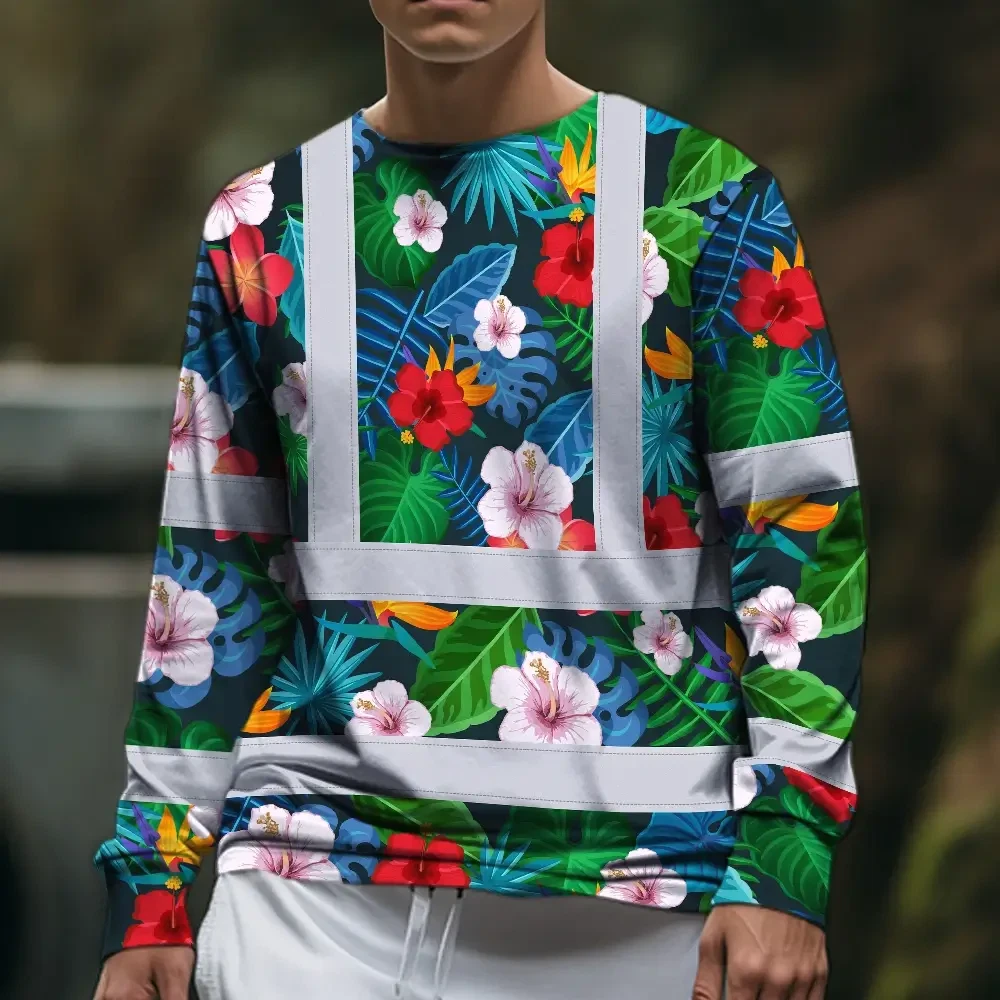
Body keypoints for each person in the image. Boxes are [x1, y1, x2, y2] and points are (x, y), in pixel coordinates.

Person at [93, 1, 866, 998]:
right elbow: (213, 568)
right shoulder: (260, 221)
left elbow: (802, 529)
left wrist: (787, 856)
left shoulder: (707, 199)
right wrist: (150, 881)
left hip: (638, 901)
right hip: (307, 894)